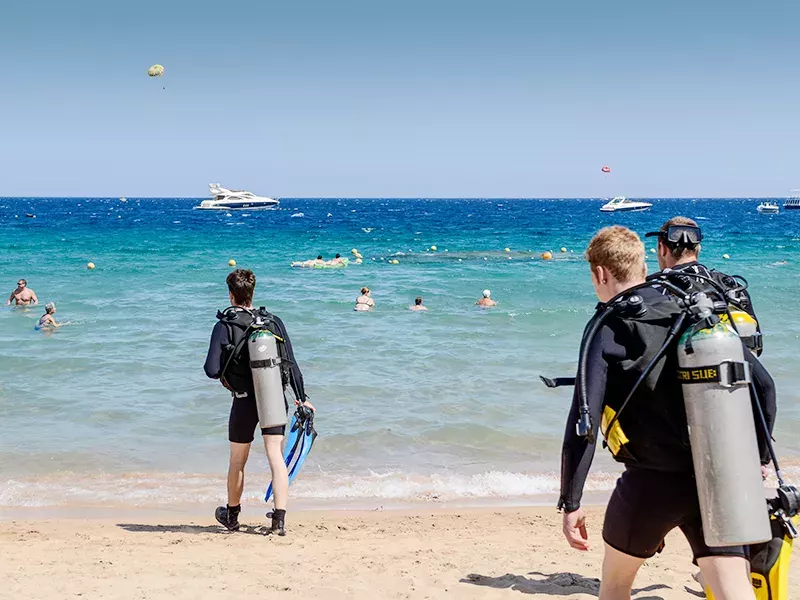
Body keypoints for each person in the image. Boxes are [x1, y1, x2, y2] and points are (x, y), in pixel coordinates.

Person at [558, 226, 776, 600]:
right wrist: (757, 458)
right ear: (645, 265)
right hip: (716, 480)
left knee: (614, 585)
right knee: (735, 592)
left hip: (650, 485)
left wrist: (571, 501)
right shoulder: (692, 312)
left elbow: (584, 423)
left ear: (600, 274)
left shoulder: (608, 324)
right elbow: (765, 387)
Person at [204, 269, 313, 535]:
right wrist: (302, 399)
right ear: (252, 293)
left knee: (237, 460)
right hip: (274, 398)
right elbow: (292, 364)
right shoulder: (273, 322)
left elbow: (211, 369)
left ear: (231, 295)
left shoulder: (225, 325)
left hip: (243, 401)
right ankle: (279, 521)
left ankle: (232, 516)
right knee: (276, 456)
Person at [645, 217, 762, 354]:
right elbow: (757, 348)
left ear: (662, 248)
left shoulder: (655, 291)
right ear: (698, 249)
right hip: (737, 366)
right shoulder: (732, 287)